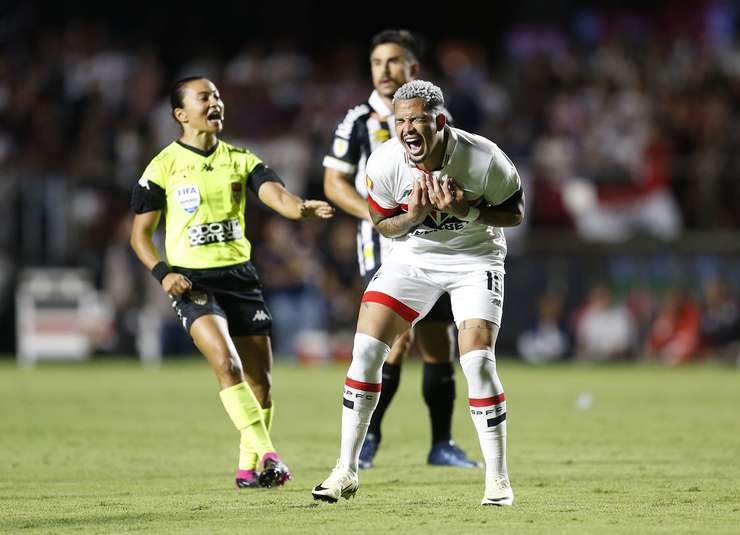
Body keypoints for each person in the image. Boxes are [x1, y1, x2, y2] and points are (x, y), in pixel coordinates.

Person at [313, 80, 524, 506]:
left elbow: (515, 212)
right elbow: (381, 221)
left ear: (440, 121)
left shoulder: (482, 157)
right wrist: (412, 215)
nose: (408, 128)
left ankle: (498, 481)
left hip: (475, 259)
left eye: (417, 120)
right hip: (412, 258)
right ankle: (345, 470)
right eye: (401, 120)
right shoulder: (386, 162)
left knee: (477, 361)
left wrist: (467, 210)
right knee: (365, 351)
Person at [129, 76, 333, 489]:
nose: (215, 102)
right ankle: (270, 455)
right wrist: (163, 272)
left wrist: (300, 210)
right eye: (205, 97)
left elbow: (275, 194)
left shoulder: (240, 159)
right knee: (227, 363)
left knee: (262, 384)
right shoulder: (162, 166)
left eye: (218, 96)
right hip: (192, 282)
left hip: (240, 278)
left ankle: (247, 470)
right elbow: (139, 235)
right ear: (181, 114)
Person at [322, 29, 477, 469]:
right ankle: (368, 440)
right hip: (383, 244)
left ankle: (441, 445)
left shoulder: (434, 116)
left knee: (437, 340)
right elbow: (334, 182)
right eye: (376, 63)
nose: (384, 71)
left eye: (393, 62)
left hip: (437, 242)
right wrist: (375, 215)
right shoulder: (356, 121)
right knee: (396, 337)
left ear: (414, 69)